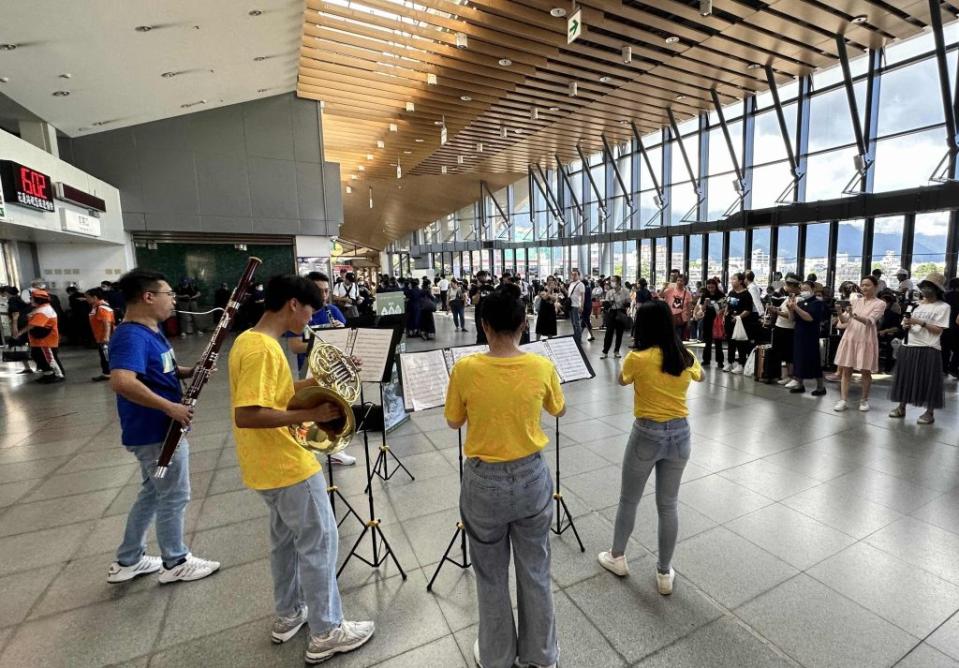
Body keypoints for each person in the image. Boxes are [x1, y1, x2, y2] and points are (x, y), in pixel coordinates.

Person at [231, 274, 374, 663]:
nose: (311, 318)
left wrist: (321, 379)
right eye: (310, 309)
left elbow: (276, 392)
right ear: (293, 303)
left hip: (264, 466)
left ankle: (289, 613)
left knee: (285, 545)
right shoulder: (263, 349)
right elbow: (248, 414)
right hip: (287, 465)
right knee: (320, 542)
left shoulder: (252, 340)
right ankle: (327, 631)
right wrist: (313, 412)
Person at [444, 283, 565, 668]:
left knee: (490, 574)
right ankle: (541, 655)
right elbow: (558, 409)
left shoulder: (465, 368)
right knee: (535, 568)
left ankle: (496, 656)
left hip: (483, 482)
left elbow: (453, 420)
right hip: (531, 476)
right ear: (524, 325)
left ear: (483, 326)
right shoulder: (541, 365)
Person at [106, 269, 219, 585]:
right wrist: (171, 407)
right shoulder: (130, 336)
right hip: (156, 432)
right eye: (168, 294)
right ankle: (175, 560)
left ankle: (129, 559)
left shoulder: (151, 331)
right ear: (148, 296)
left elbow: (161, 372)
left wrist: (191, 371)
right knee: (174, 496)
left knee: (152, 495)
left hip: (156, 430)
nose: (173, 300)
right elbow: (122, 381)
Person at [598, 300, 703, 594]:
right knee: (668, 505)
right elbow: (702, 376)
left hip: (646, 434)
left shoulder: (637, 358)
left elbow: (621, 380)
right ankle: (664, 572)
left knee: (628, 499)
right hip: (680, 435)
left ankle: (617, 556)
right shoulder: (684, 354)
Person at [888, 272, 950, 425]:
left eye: (930, 287)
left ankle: (929, 412)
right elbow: (905, 323)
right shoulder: (915, 305)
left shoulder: (943, 307)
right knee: (905, 378)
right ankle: (901, 407)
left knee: (928, 380)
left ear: (937, 290)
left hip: (929, 347)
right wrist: (907, 324)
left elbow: (938, 330)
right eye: (925, 286)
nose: (926, 290)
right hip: (909, 344)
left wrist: (919, 322)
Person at [833, 276, 886, 412]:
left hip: (866, 339)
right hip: (850, 337)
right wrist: (840, 312)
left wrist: (854, 315)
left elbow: (870, 321)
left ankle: (864, 400)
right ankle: (843, 399)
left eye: (867, 285)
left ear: (875, 287)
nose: (864, 288)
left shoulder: (880, 303)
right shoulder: (855, 301)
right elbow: (844, 321)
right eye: (862, 285)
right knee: (846, 369)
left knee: (865, 370)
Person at [785, 280, 827, 396]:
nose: (804, 292)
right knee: (798, 358)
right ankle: (800, 384)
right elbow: (791, 318)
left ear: (813, 289)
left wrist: (796, 308)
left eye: (806, 289)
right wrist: (790, 309)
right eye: (802, 289)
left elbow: (809, 318)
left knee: (813, 360)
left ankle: (820, 387)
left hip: (810, 335)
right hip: (799, 334)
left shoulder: (817, 303)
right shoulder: (800, 303)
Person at [27, 288, 65, 384]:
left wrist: (19, 333)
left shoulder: (44, 310)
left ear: (38, 300)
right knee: (38, 356)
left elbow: (35, 324)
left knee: (49, 358)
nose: (30, 300)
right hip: (38, 339)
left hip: (46, 340)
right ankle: (48, 374)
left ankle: (58, 375)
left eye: (32, 298)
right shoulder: (39, 308)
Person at [767, 276, 799, 383]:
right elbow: (782, 310)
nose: (786, 287)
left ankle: (791, 376)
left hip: (788, 329)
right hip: (779, 326)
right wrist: (774, 310)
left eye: (788, 285)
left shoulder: (797, 299)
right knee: (778, 352)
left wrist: (777, 312)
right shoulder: (787, 297)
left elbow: (791, 316)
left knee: (789, 354)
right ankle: (779, 375)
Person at [722, 273, 755, 374]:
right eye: (731, 279)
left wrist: (738, 317)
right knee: (730, 342)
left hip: (741, 323)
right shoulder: (732, 292)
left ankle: (741, 364)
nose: (732, 281)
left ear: (740, 281)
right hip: (729, 321)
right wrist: (724, 315)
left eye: (734, 279)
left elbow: (748, 310)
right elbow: (728, 304)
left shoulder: (746, 294)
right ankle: (730, 362)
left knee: (741, 343)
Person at [85, 287, 115, 382]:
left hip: (104, 337)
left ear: (95, 297)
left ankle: (108, 374)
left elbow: (107, 322)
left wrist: (106, 336)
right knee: (104, 356)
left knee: (106, 357)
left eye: (88, 297)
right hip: (99, 336)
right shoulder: (97, 307)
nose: (86, 299)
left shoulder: (102, 308)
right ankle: (107, 373)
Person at [3, 285, 34, 374]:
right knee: (31, 346)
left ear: (6, 292)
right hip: (26, 324)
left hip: (18, 325)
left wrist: (14, 325)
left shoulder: (12, 301)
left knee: (18, 345)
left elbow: (15, 314)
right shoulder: (20, 299)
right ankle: (39, 365)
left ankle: (27, 367)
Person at [695, 279, 725, 368]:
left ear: (716, 286)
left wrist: (715, 306)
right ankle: (706, 360)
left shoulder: (721, 295)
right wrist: (705, 304)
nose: (710, 289)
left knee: (718, 342)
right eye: (709, 287)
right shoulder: (705, 295)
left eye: (712, 287)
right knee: (707, 341)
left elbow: (722, 309)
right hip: (707, 320)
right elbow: (702, 309)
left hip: (717, 320)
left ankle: (720, 361)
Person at [601, 276, 630, 359]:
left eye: (613, 280)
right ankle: (605, 351)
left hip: (621, 312)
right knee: (608, 333)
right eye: (611, 281)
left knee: (619, 333)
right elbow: (606, 305)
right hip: (612, 313)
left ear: (619, 281)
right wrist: (610, 302)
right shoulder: (609, 292)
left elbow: (628, 303)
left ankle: (616, 351)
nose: (612, 282)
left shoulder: (625, 291)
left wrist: (623, 303)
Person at [662, 276, 693, 341]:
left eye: (681, 281)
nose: (679, 282)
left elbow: (689, 308)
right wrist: (664, 287)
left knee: (678, 338)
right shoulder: (670, 290)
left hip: (681, 319)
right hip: (670, 317)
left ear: (685, 282)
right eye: (678, 280)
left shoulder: (687, 294)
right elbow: (660, 295)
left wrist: (689, 321)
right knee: (669, 337)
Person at [470, 271, 496, 344]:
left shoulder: (490, 287)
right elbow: (474, 302)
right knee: (481, 332)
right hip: (480, 314)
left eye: (484, 277)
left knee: (491, 332)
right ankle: (480, 346)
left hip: (491, 313)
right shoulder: (474, 288)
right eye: (480, 278)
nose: (483, 279)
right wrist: (479, 290)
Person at [942, 277, 959, 378]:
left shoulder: (944, 295)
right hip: (956, 327)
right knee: (958, 349)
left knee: (945, 349)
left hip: (944, 326)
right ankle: (953, 368)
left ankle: (944, 369)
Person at [534, 276, 559, 341]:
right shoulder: (542, 287)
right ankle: (537, 341)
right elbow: (544, 297)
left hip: (551, 310)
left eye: (552, 280)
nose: (550, 281)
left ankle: (550, 341)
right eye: (549, 280)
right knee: (540, 326)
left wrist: (549, 295)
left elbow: (555, 298)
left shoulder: (555, 289)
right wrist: (550, 291)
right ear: (547, 281)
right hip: (543, 310)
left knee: (550, 327)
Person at [567, 269, 587, 345]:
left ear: (579, 275)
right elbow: (570, 295)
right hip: (570, 306)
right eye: (572, 274)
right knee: (573, 323)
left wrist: (581, 306)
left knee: (577, 323)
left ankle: (578, 339)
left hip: (576, 306)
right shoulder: (571, 284)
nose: (573, 276)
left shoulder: (580, 284)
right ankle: (575, 336)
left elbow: (582, 296)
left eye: (575, 274)